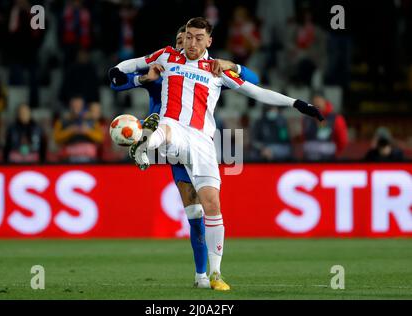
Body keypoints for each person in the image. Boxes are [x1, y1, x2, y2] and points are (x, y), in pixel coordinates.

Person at [113, 17, 323, 291]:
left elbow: (256, 87)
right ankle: (144, 145)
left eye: (197, 38)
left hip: (202, 140)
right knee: (165, 131)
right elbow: (119, 76)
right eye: (186, 37)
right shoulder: (164, 59)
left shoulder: (215, 70)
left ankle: (213, 274)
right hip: (171, 131)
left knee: (211, 206)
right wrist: (140, 76)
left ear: (209, 41)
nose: (189, 43)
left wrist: (296, 103)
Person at [109, 24, 259, 289]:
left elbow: (254, 81)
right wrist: (143, 79)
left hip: (196, 142)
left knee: (203, 210)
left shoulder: (207, 71)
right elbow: (115, 82)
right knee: (193, 211)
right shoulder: (163, 68)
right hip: (169, 142)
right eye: (180, 40)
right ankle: (203, 274)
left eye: (188, 40)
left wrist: (229, 65)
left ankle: (206, 275)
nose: (184, 45)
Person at [53, 95, 104, 162]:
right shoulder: (63, 121)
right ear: (70, 106)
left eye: (79, 105)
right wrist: (70, 130)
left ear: (83, 106)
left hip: (89, 159)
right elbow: (56, 139)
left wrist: (87, 131)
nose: (77, 108)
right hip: (68, 159)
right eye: (74, 105)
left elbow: (100, 138)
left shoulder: (92, 121)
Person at [302, 92, 348, 161]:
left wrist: (335, 154)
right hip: (309, 160)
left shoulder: (336, 118)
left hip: (328, 159)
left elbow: (342, 140)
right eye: (314, 102)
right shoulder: (306, 119)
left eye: (319, 101)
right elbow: (304, 137)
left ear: (325, 101)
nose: (317, 104)